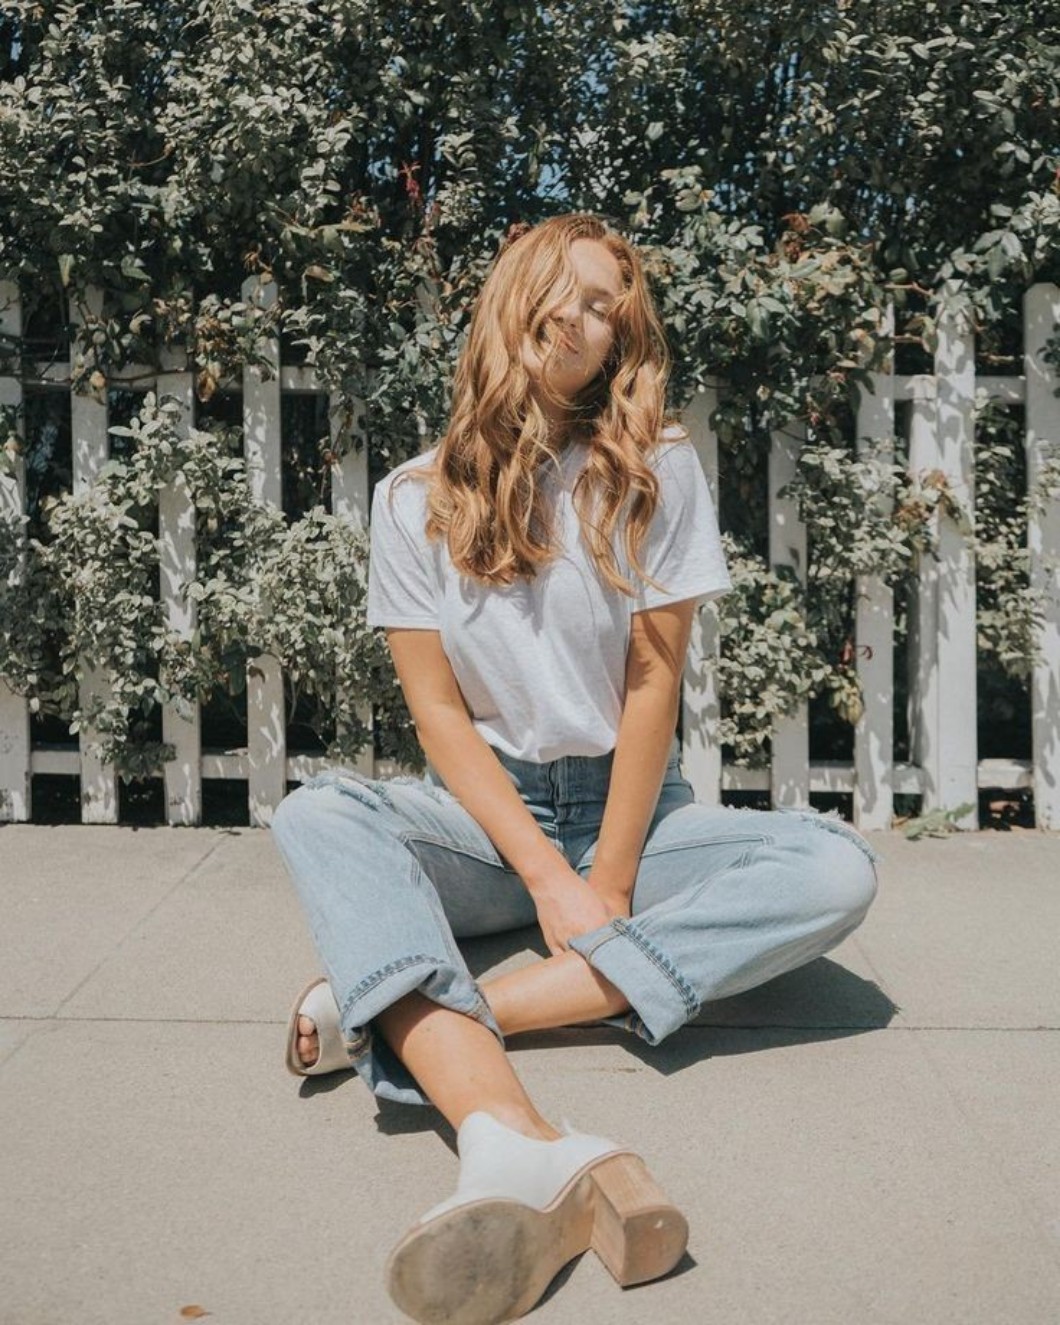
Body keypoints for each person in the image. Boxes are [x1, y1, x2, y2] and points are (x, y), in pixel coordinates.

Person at [268, 211, 880, 1325]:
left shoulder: (657, 469)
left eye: (606, 306)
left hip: (630, 813)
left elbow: (653, 683)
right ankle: (507, 1130)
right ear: (514, 297)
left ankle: (407, 1011)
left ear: (616, 343)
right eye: (565, 287)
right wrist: (550, 882)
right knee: (318, 812)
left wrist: (606, 874)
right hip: (486, 819)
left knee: (835, 867)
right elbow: (438, 715)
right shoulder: (411, 497)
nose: (581, 316)